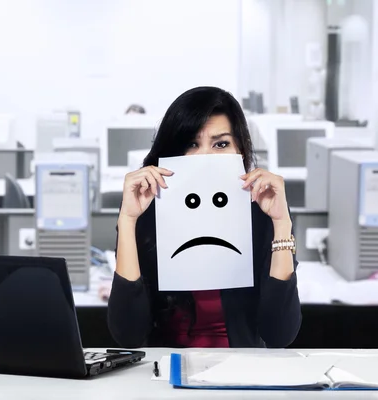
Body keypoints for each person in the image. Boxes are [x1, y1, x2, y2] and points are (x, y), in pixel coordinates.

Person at [108, 87, 301, 348]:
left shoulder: (261, 208)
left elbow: (280, 334)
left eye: (221, 144)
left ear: (240, 150)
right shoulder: (148, 209)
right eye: (191, 144)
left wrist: (281, 224)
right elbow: (128, 335)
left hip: (240, 373)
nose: (206, 158)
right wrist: (128, 221)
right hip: (165, 374)